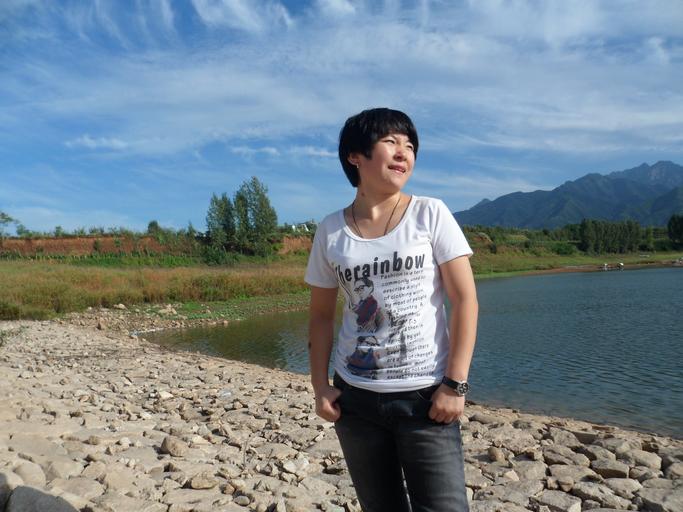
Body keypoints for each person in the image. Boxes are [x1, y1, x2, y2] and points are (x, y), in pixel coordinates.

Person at [305, 108, 478, 512]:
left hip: (426, 398)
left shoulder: (430, 213)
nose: (404, 153)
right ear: (355, 155)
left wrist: (455, 384)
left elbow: (465, 300)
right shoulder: (330, 230)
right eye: (391, 142)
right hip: (355, 400)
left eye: (410, 146)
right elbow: (320, 316)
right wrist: (320, 387)